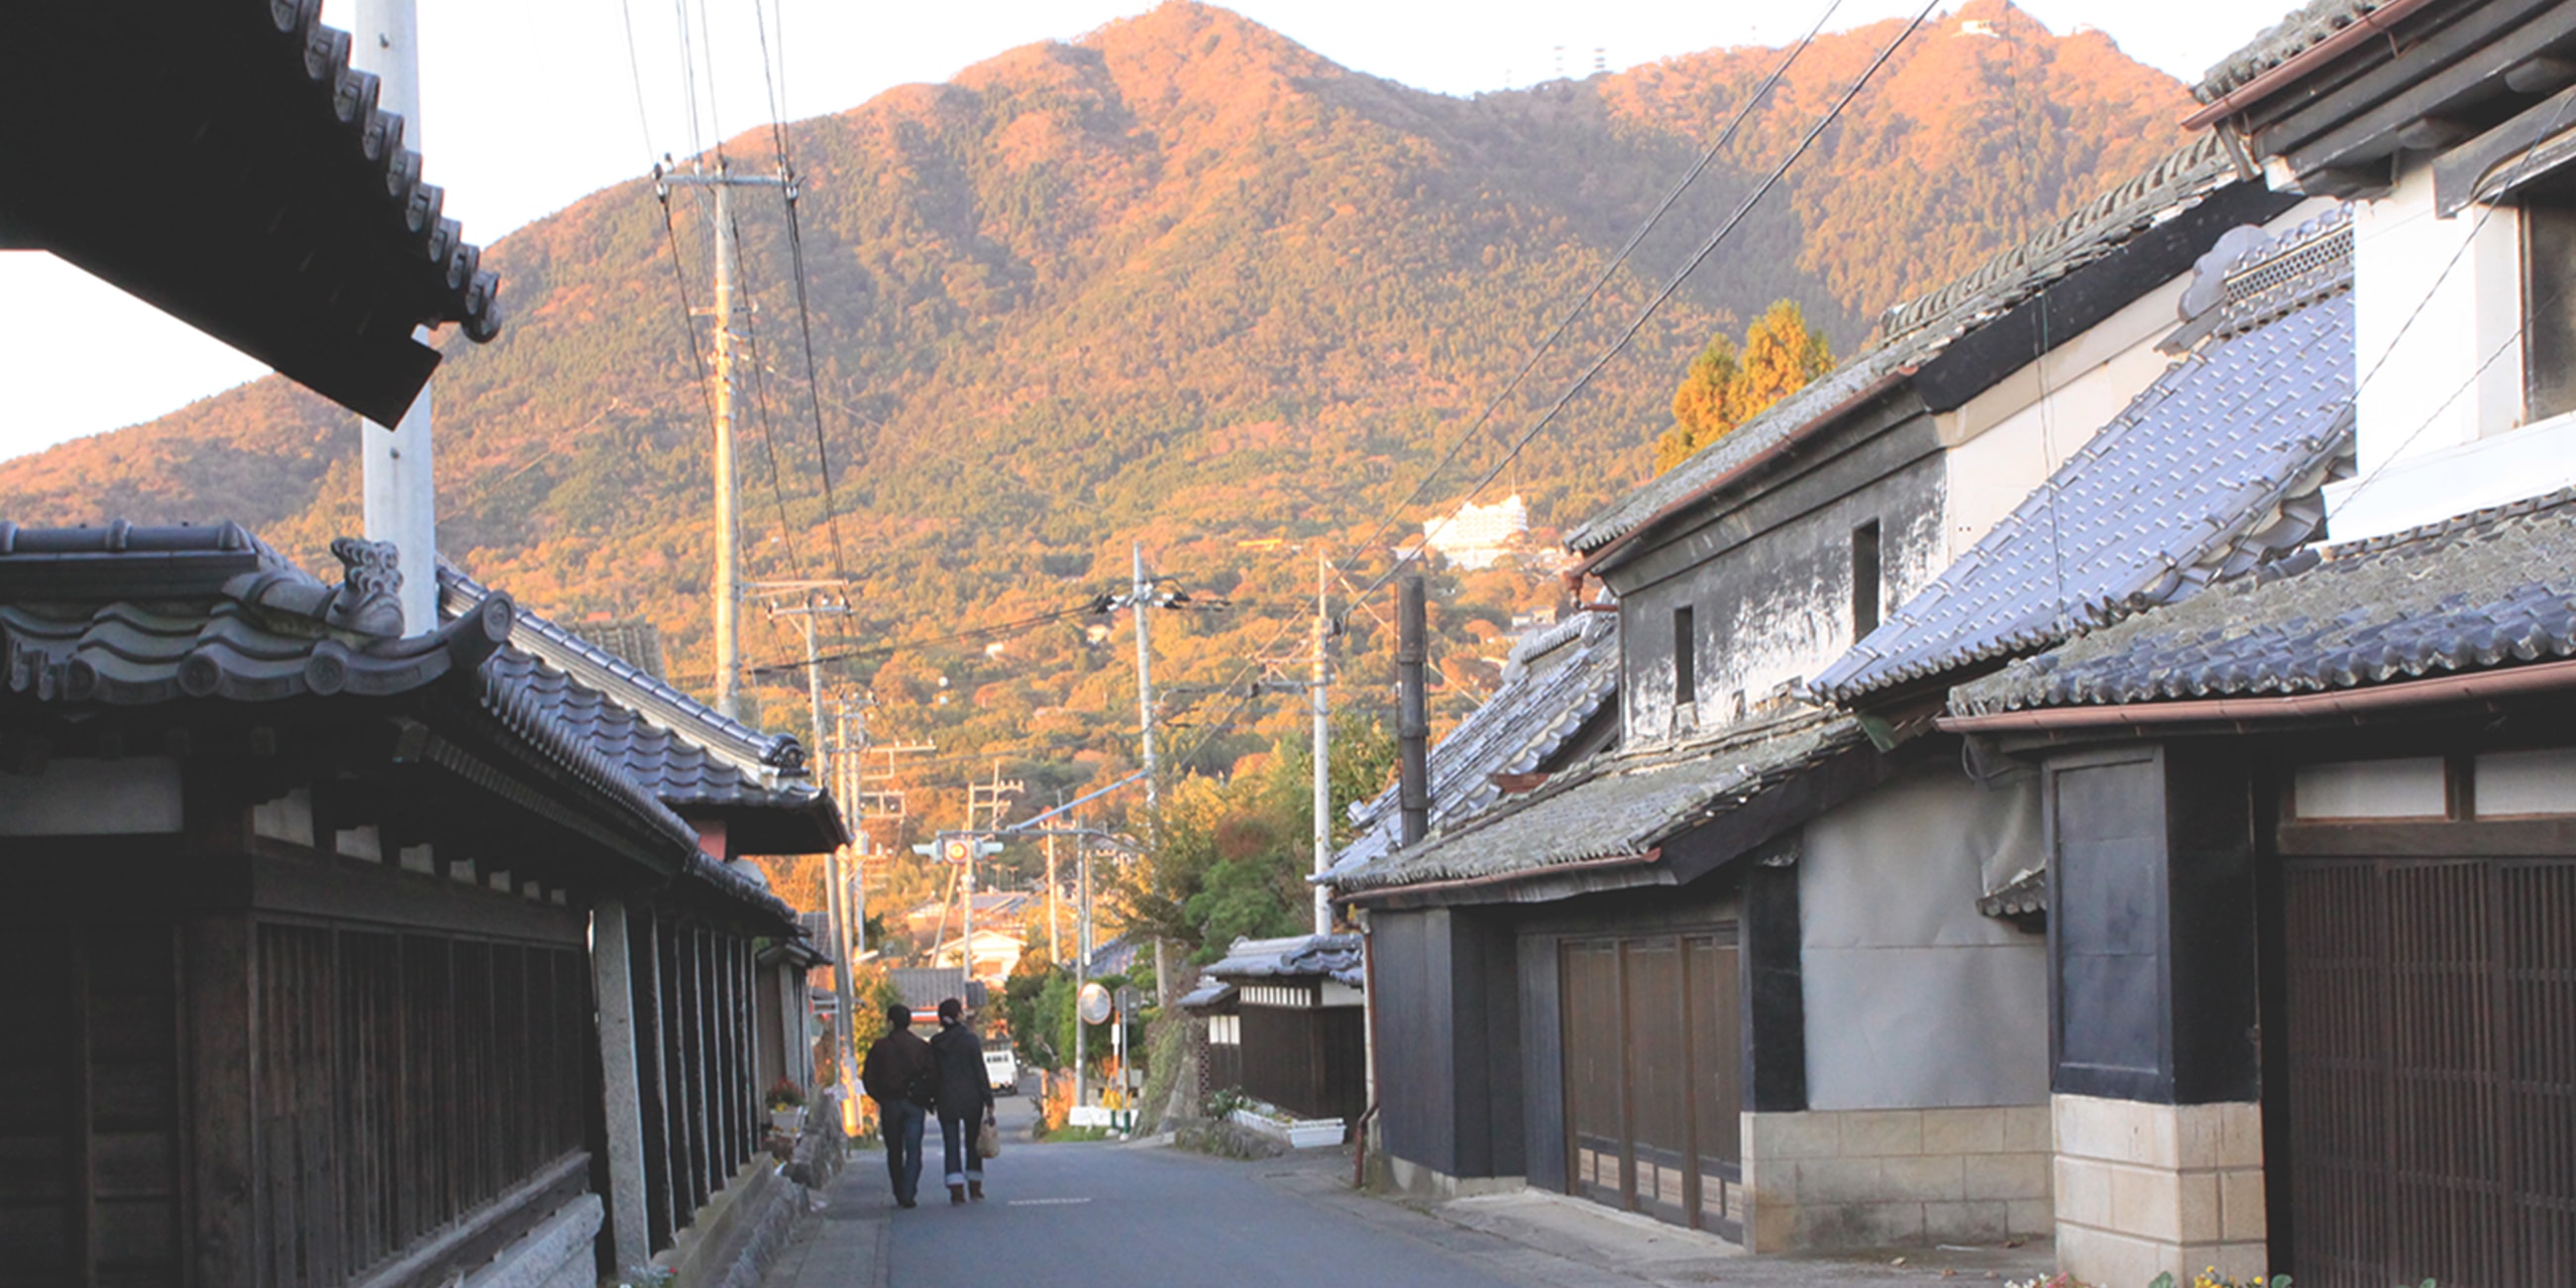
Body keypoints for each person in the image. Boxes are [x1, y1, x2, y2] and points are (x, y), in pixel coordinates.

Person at [859, 1003, 936, 1209]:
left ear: (890, 1022)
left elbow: (869, 1078)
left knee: (894, 1150)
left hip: (890, 1103)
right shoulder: (921, 1046)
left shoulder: (880, 1047)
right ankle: (908, 1191)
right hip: (914, 1104)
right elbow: (933, 1076)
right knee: (913, 1150)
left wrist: (880, 1097)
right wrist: (925, 1096)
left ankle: (898, 1189)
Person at [928, 996, 996, 1204]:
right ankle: (975, 1187)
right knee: (973, 1143)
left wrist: (931, 1099)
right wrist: (988, 1098)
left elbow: (932, 1074)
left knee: (951, 1143)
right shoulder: (970, 1040)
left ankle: (956, 1191)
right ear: (959, 1015)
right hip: (971, 1098)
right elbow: (979, 1070)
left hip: (945, 1098)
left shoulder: (936, 1044)